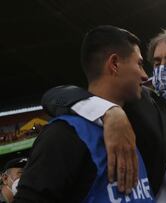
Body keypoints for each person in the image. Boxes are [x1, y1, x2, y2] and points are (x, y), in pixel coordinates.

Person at [41, 27, 166, 202]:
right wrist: (109, 111)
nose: (163, 69)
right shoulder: (139, 105)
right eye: (156, 63)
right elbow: (55, 96)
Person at [14, 26, 154, 202]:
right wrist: (110, 111)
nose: (144, 75)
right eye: (139, 64)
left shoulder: (136, 121)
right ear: (115, 64)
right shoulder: (64, 133)